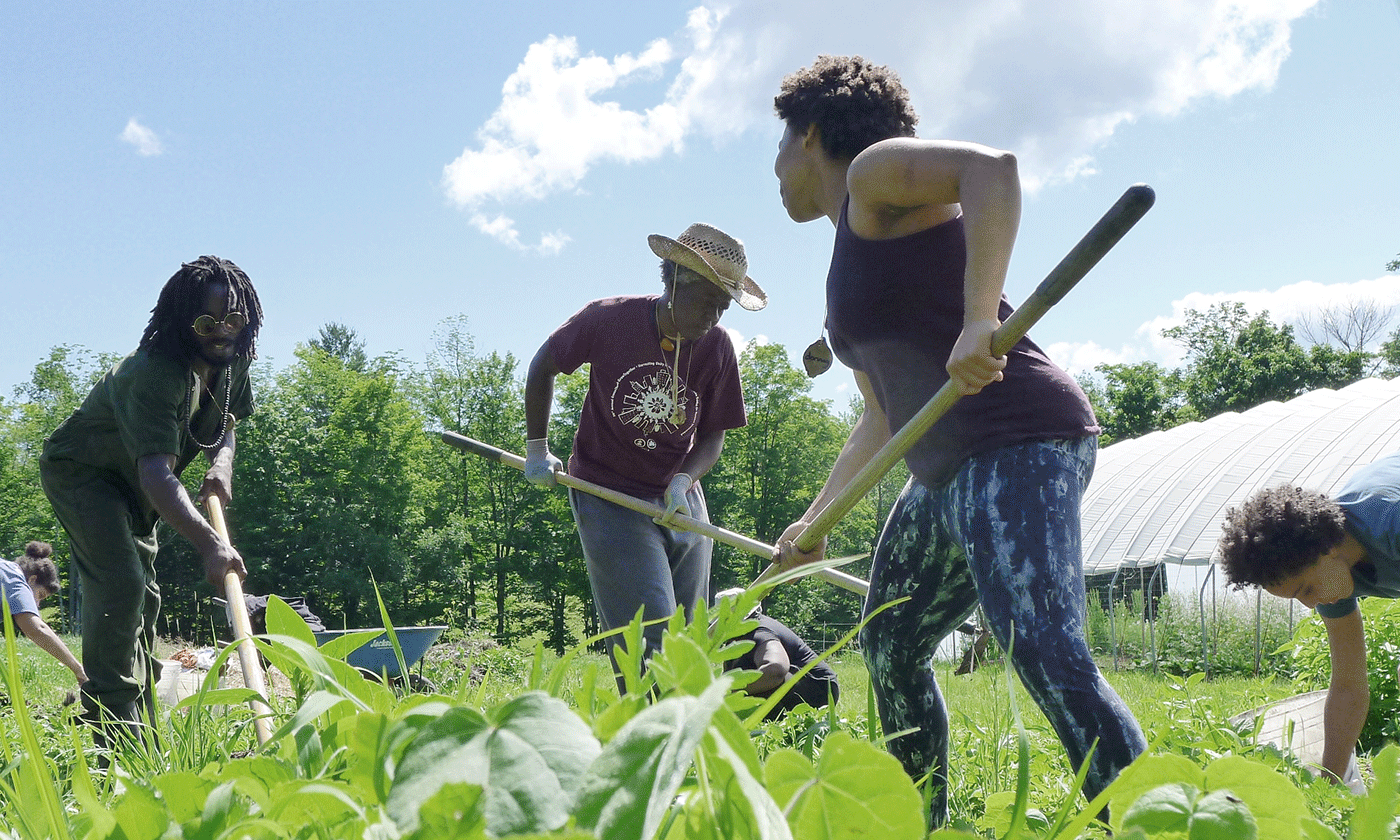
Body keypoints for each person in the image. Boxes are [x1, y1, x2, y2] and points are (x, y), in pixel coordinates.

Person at [768, 55, 1145, 824]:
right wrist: (814, 523)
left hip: (1018, 437)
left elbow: (992, 172)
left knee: (1040, 644)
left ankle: (1148, 819)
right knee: (892, 639)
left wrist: (981, 320)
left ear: (809, 136)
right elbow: (881, 418)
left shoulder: (873, 173)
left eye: (778, 150)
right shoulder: (849, 251)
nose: (773, 173)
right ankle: (920, 819)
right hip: (939, 471)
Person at [523, 224, 766, 692]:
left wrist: (684, 480)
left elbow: (713, 436)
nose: (715, 317)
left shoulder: (716, 347)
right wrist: (537, 448)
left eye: (723, 306)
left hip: (679, 497)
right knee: (651, 641)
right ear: (673, 282)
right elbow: (543, 365)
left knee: (691, 639)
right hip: (609, 493)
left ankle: (689, 744)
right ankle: (646, 743)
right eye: (706, 301)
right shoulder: (609, 320)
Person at [40, 256, 260, 736]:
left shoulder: (233, 362)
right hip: (85, 474)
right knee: (121, 585)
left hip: (139, 480)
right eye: (207, 322)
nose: (222, 331)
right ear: (183, 323)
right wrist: (211, 545)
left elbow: (227, 424)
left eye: (233, 320)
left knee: (148, 596)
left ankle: (143, 715)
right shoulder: (153, 373)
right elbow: (157, 474)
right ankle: (112, 730)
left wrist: (221, 466)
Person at [1217, 451, 1400, 785]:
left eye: (1305, 590)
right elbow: (1348, 686)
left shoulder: (1390, 520)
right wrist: (1331, 787)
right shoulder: (1331, 576)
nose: (1310, 604)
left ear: (1326, 550)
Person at [714, 588, 839, 720]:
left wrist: (727, 692)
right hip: (803, 685)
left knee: (756, 683)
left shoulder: (759, 633)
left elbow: (776, 670)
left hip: (818, 689)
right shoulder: (734, 639)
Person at [1, 541, 87, 686]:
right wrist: (78, 670)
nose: (37, 604)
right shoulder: (15, 581)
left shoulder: (5, 570)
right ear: (32, 579)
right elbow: (36, 629)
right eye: (40, 595)